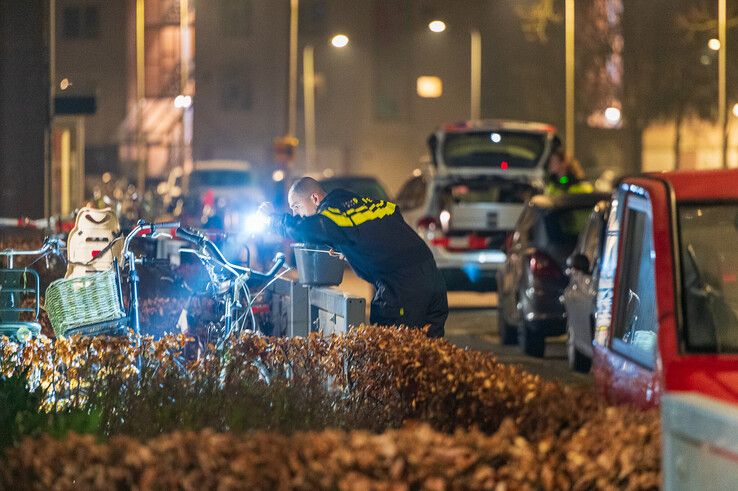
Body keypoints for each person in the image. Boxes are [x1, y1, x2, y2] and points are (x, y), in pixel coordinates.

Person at [261, 177, 448, 337]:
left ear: (315, 198)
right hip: (431, 279)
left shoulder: (334, 213)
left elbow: (304, 229)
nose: (296, 214)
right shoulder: (357, 206)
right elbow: (380, 232)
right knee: (430, 358)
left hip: (404, 288)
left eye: (296, 207)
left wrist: (272, 220)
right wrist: (347, 249)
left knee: (393, 355)